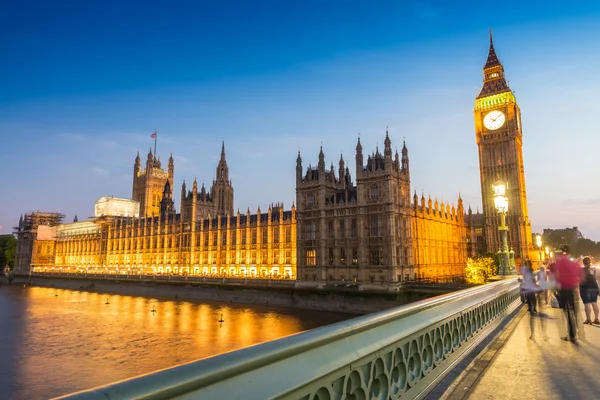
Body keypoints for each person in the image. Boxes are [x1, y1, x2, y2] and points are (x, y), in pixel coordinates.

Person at [555, 245, 583, 343]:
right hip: (573, 288)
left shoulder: (560, 261)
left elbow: (557, 275)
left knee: (566, 311)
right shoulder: (573, 262)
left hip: (564, 288)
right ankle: (577, 332)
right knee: (574, 310)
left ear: (562, 252)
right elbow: (579, 275)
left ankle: (571, 334)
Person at [579, 257, 599, 325]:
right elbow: (596, 277)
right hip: (594, 287)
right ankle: (596, 318)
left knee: (587, 303)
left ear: (583, 262)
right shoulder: (594, 269)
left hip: (585, 288)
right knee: (594, 303)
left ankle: (588, 319)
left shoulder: (582, 270)